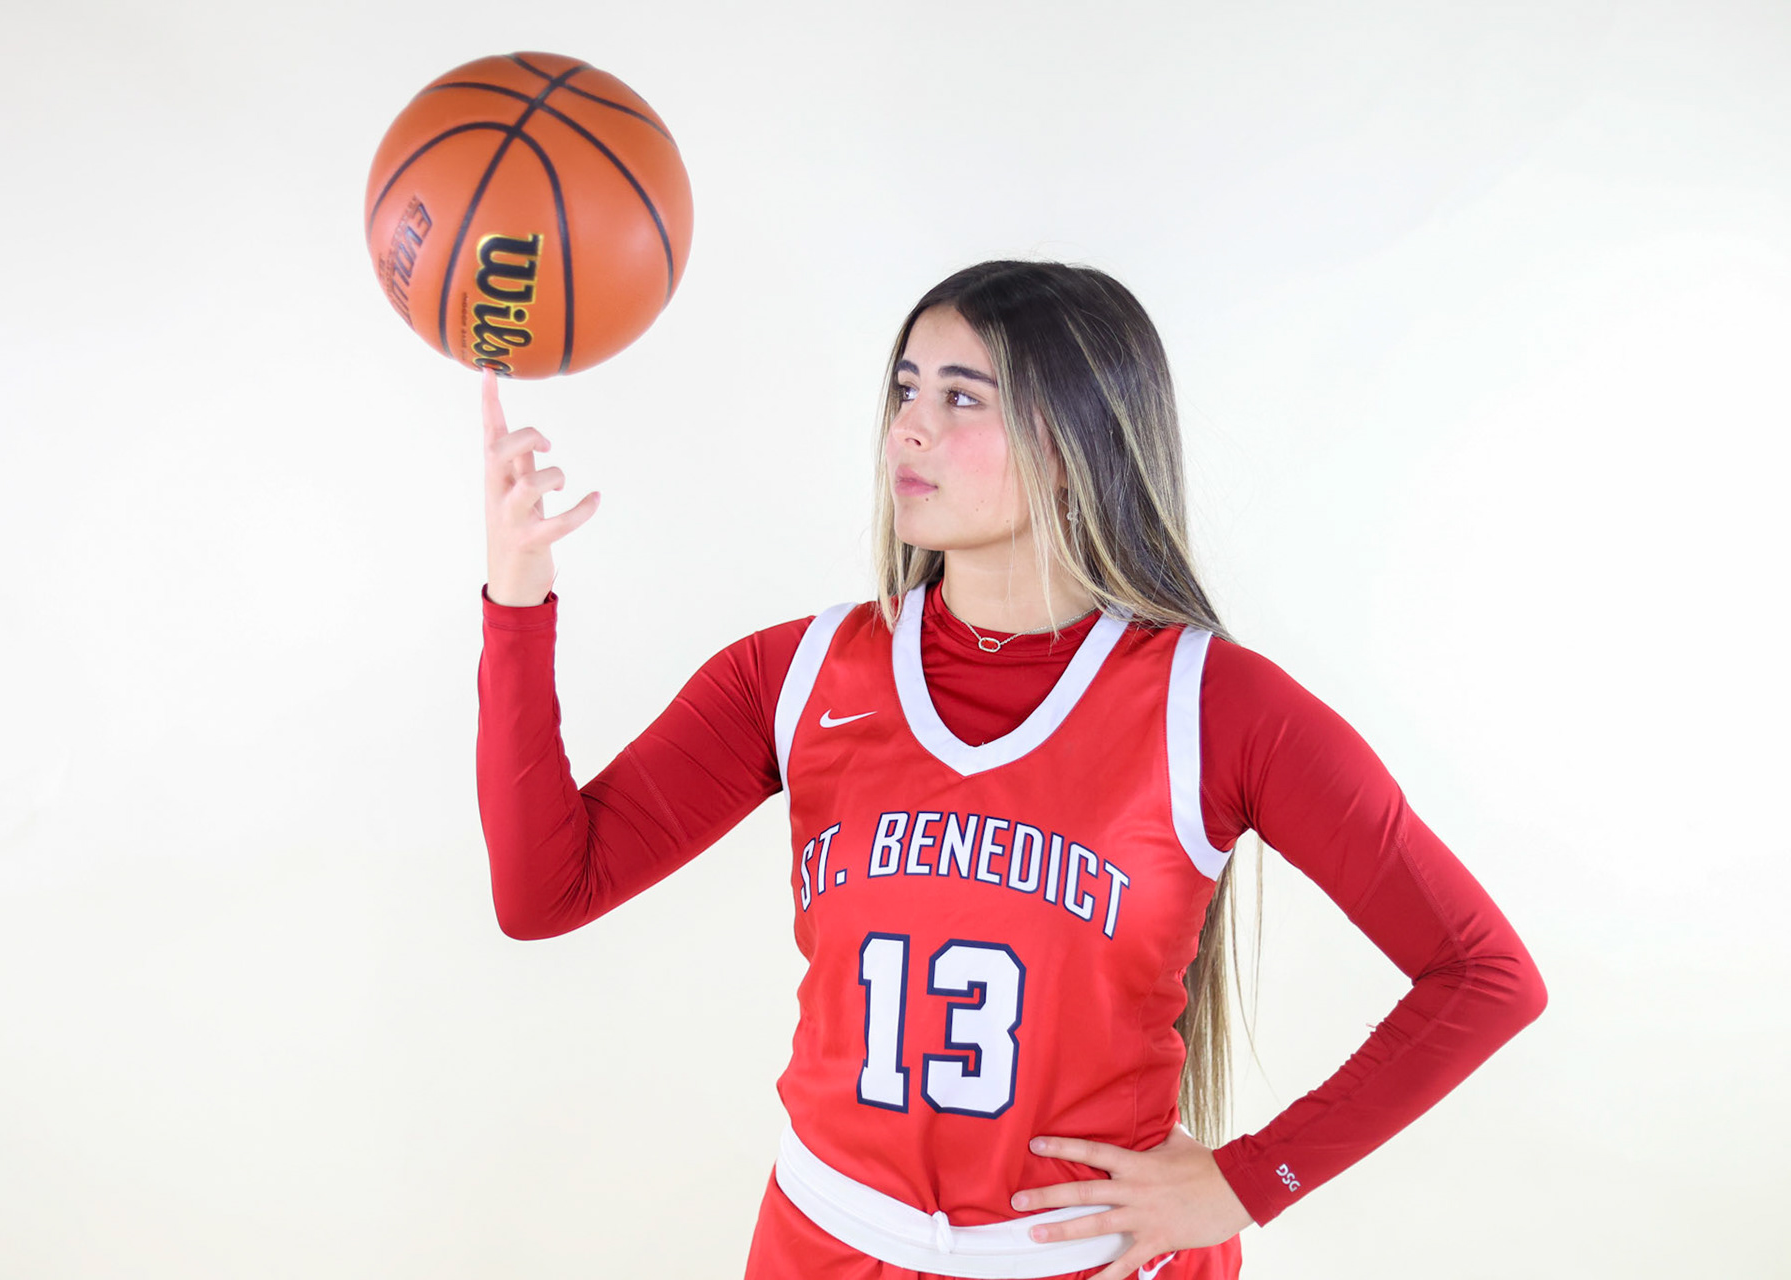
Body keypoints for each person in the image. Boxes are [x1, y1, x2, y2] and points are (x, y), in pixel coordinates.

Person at [475, 260, 1548, 1280]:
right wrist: (517, 596)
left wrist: (1246, 1180)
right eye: (904, 389)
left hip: (1096, 1257)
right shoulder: (796, 672)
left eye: (962, 397)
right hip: (826, 1243)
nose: (909, 425)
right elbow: (543, 892)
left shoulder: (1215, 705)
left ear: (1076, 439)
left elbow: (1485, 971)